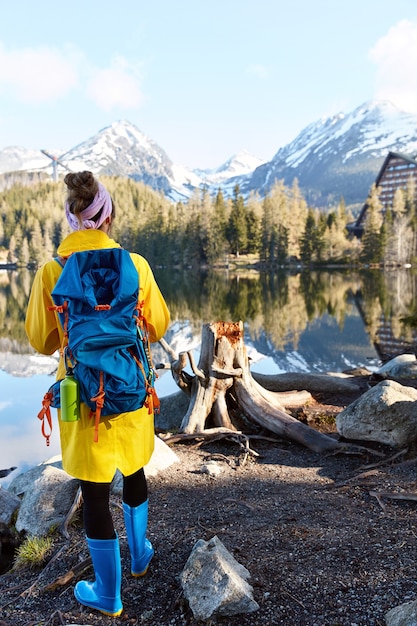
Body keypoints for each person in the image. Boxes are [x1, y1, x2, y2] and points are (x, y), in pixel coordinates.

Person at [25, 171, 170, 617]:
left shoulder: (53, 271)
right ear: (108, 216)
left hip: (82, 398)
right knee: (135, 471)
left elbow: (40, 341)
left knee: (93, 492)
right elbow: (158, 325)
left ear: (71, 220)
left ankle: (108, 594)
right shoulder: (137, 266)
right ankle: (140, 556)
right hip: (129, 394)